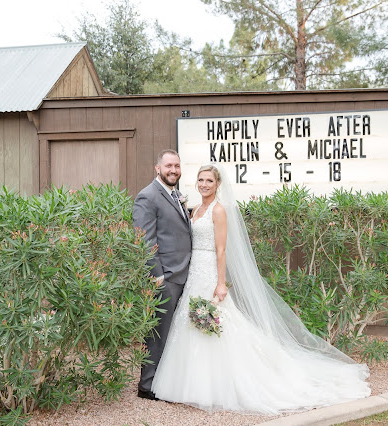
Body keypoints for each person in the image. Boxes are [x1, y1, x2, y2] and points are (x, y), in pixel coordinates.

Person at [151, 164, 371, 414]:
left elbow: (221, 250)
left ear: (217, 184)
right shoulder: (196, 210)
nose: (203, 184)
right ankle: (188, 385)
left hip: (210, 272)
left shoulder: (218, 210)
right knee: (191, 324)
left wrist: (221, 283)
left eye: (209, 181)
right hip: (194, 273)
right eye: (200, 180)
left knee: (218, 324)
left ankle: (223, 384)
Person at [133, 149, 192, 401]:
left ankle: (165, 381)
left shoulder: (175, 194)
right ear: (157, 168)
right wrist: (157, 275)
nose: (173, 170)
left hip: (184, 273)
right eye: (169, 166)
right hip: (166, 276)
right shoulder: (147, 197)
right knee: (157, 333)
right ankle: (146, 386)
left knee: (173, 333)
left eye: (177, 166)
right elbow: (145, 239)